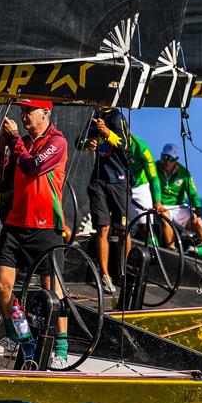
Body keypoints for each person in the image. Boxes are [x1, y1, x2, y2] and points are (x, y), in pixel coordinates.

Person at [0, 99, 70, 369]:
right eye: (21, 111)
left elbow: (32, 166)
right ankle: (18, 336)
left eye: (28, 111)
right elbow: (1, 177)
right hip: (16, 223)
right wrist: (2, 150)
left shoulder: (57, 141)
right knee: (2, 284)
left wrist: (14, 141)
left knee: (52, 290)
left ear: (45, 112)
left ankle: (62, 347)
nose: (23, 116)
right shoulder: (20, 141)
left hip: (46, 226)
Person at [81, 107, 130, 294]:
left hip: (118, 180)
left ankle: (125, 273)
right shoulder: (94, 117)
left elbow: (126, 145)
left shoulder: (117, 117)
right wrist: (88, 144)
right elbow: (79, 142)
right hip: (99, 180)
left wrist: (107, 132)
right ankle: (104, 275)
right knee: (102, 227)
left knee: (123, 229)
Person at [156, 143, 202, 247]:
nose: (167, 161)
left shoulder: (184, 173)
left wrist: (198, 207)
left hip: (178, 207)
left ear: (176, 159)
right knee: (165, 217)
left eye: (171, 159)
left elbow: (192, 192)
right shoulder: (153, 167)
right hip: (160, 206)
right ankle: (172, 250)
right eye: (165, 157)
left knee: (198, 222)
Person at [129, 134, 165, 222]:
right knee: (121, 226)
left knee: (146, 225)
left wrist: (157, 201)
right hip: (120, 185)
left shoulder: (143, 149)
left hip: (139, 186)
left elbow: (154, 178)